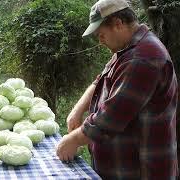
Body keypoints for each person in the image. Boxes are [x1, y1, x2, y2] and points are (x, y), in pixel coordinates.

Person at [56, 0, 178, 179]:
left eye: (101, 34)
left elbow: (110, 119)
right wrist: (77, 110)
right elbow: (101, 79)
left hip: (141, 169)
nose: (100, 40)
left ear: (118, 24)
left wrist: (72, 140)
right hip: (120, 167)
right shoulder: (128, 49)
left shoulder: (143, 58)